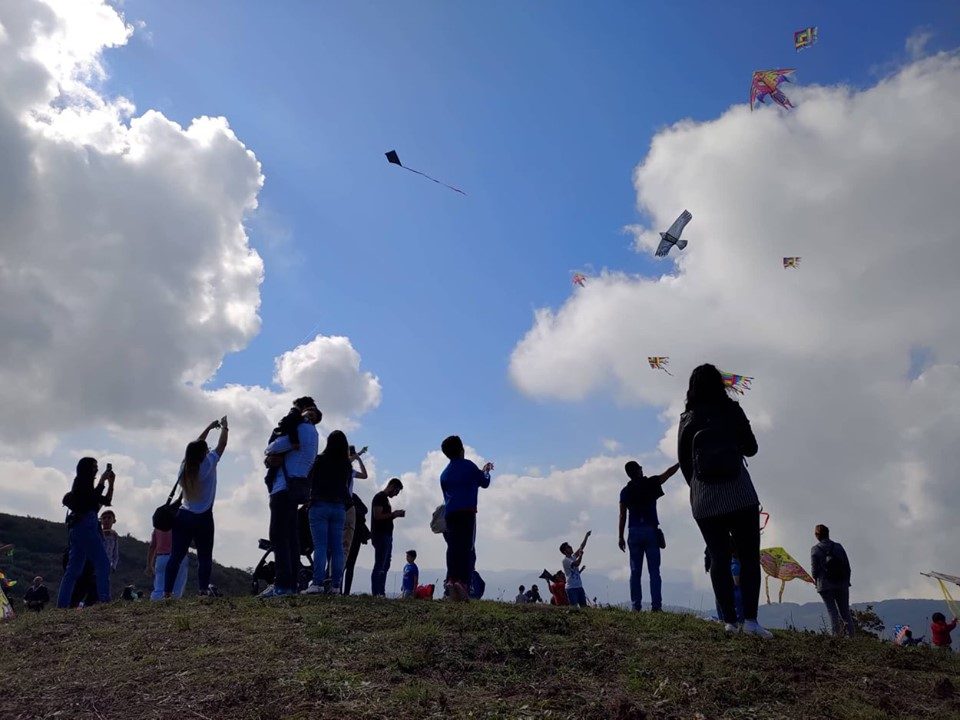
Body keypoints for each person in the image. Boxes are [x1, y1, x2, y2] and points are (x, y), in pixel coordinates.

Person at [677, 363, 772, 639]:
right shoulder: (732, 410)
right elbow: (752, 449)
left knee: (718, 557)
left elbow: (685, 462)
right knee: (748, 557)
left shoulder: (687, 417)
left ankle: (729, 621)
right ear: (720, 384)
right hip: (739, 492)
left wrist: (698, 487)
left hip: (705, 498)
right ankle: (752, 621)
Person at [260, 403, 321, 598]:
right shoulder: (315, 434)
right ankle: (292, 583)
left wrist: (271, 453)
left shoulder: (299, 429)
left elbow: (272, 447)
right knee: (292, 539)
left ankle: (282, 585)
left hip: (283, 488)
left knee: (278, 536)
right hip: (297, 488)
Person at [165, 418, 228, 598]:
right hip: (204, 517)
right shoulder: (208, 463)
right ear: (204, 453)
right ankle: (202, 591)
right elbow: (222, 444)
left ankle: (167, 593)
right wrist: (224, 427)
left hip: (183, 516)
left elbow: (196, 446)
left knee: (175, 556)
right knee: (204, 556)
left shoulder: (184, 467)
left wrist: (208, 427)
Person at [618, 460, 679, 612]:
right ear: (638, 471)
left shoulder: (625, 491)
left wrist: (620, 536)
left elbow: (622, 515)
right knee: (654, 572)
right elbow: (668, 474)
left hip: (633, 532)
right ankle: (656, 607)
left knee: (635, 572)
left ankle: (635, 606)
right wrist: (681, 463)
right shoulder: (650, 483)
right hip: (650, 530)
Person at [439, 435, 493, 600]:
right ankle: (462, 582)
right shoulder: (468, 466)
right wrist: (486, 471)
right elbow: (484, 482)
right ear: (462, 449)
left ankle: (451, 580)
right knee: (466, 548)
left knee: (453, 547)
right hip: (467, 512)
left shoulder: (444, 474)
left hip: (450, 514)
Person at [57, 458, 115, 608]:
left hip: (77, 529)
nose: (96, 470)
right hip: (87, 526)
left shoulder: (80, 485)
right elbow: (94, 497)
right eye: (94, 467)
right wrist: (103, 481)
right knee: (103, 563)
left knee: (73, 569)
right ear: (87, 468)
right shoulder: (83, 482)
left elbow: (104, 501)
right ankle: (104, 600)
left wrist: (110, 484)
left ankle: (62, 604)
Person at [303, 430, 353, 595]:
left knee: (321, 546)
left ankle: (317, 583)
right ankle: (336, 586)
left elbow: (309, 479)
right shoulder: (346, 464)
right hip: (339, 508)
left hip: (319, 505)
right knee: (337, 548)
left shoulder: (320, 460)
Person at [810, 524, 854, 637]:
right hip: (842, 583)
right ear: (828, 533)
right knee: (845, 612)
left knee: (832, 612)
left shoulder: (815, 550)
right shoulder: (839, 547)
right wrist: (846, 581)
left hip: (824, 585)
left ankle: (836, 637)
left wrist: (816, 581)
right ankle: (852, 637)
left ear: (816, 535)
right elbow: (847, 566)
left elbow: (814, 571)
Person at [264, 397, 316, 490]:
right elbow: (290, 426)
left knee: (271, 474)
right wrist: (295, 441)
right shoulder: (295, 415)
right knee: (271, 475)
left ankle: (272, 487)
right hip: (280, 447)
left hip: (278, 447)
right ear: (304, 406)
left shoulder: (295, 416)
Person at [370, 478, 405, 597]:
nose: (396, 494)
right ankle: (376, 592)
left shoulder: (384, 499)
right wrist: (393, 514)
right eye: (396, 491)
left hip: (387, 535)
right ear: (392, 486)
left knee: (385, 564)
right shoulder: (379, 497)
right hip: (380, 535)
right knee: (380, 564)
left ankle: (381, 591)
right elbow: (378, 516)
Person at [342, 445, 369, 572]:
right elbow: (347, 462)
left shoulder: (350, 471)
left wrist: (359, 458)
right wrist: (358, 457)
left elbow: (365, 475)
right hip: (343, 506)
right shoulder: (342, 468)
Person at [147, 527, 187, 600]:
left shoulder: (158, 527)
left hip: (161, 558)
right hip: (178, 557)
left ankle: (155, 602)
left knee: (159, 587)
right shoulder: (180, 524)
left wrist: (149, 565)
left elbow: (152, 546)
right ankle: (171, 603)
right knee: (177, 587)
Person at [342, 493, 370, 595]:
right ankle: (346, 591)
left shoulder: (345, 497)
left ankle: (338, 588)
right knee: (350, 565)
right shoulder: (353, 497)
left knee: (343, 564)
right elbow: (365, 509)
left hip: (347, 533)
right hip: (357, 533)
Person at [560, 532, 591, 607]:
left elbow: (581, 547)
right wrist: (580, 555)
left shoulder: (572, 557)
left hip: (579, 586)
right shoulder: (565, 560)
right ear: (565, 551)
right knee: (574, 609)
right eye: (568, 547)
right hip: (571, 588)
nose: (571, 547)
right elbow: (576, 563)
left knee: (584, 607)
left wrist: (586, 536)